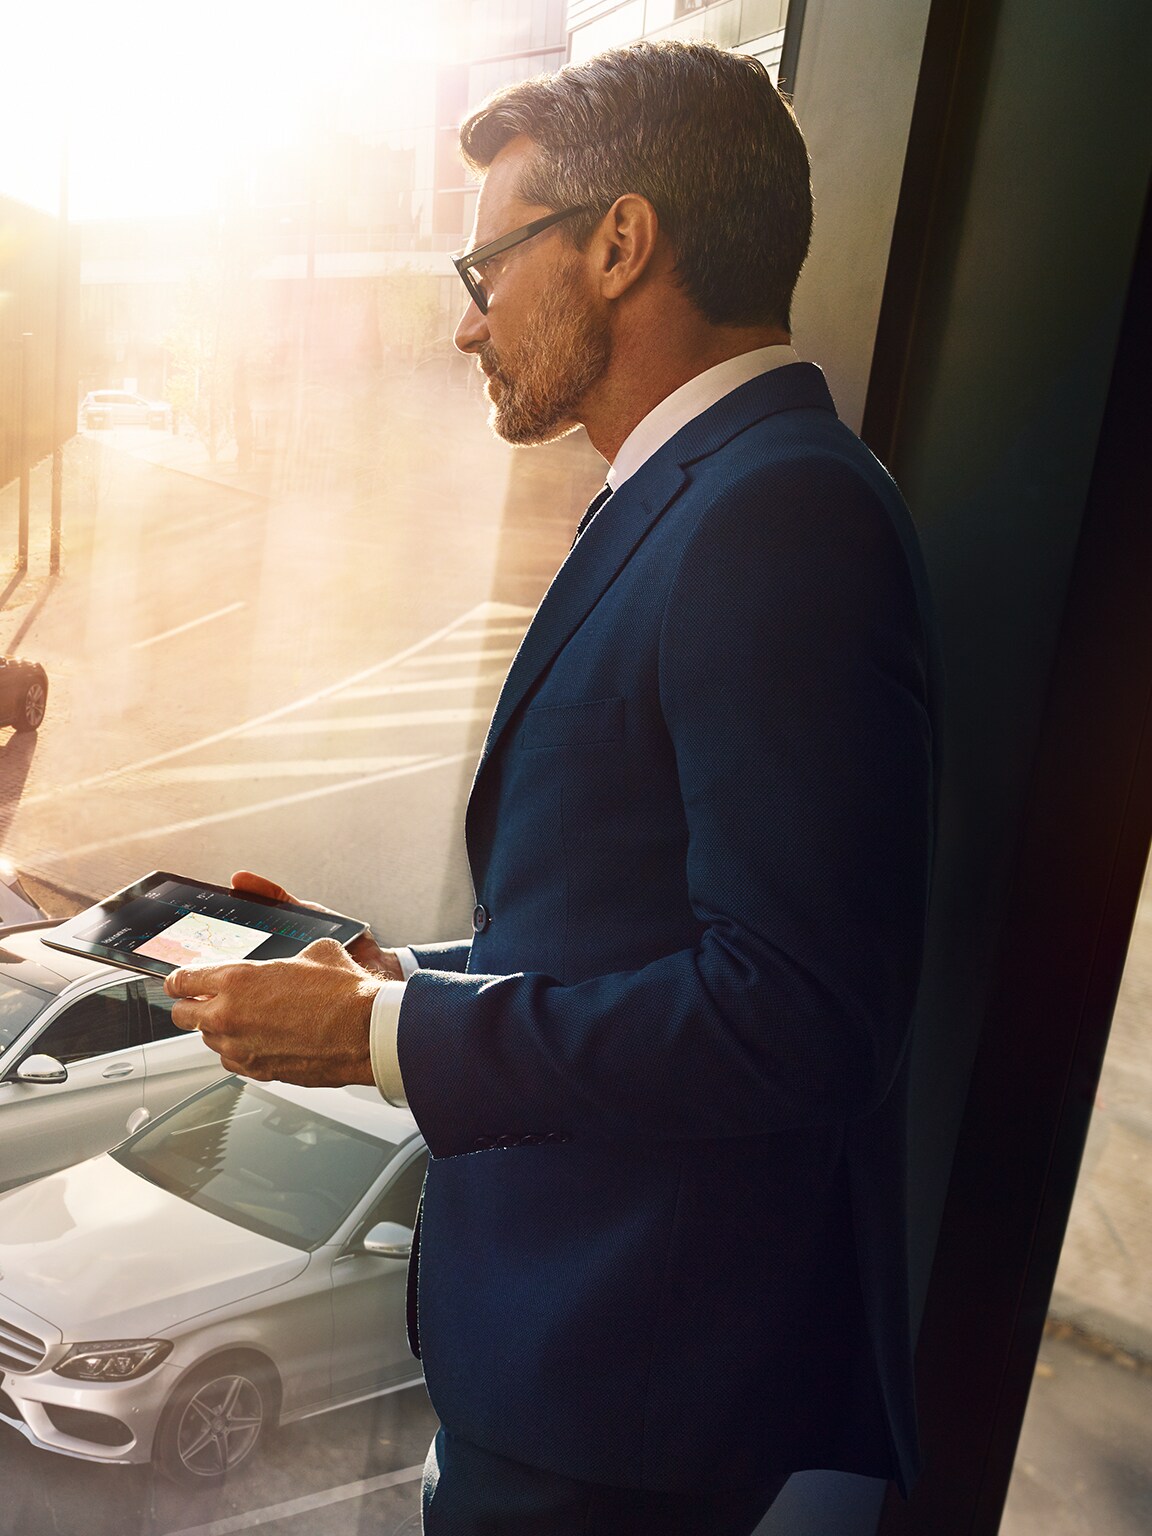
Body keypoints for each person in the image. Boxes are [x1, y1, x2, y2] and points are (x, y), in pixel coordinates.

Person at [166, 39, 941, 1535]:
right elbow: (640, 918)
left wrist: (397, 1032)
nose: (468, 330)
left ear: (620, 241)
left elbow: (801, 1012)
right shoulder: (703, 492)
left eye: (484, 270)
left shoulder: (776, 520)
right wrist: (405, 982)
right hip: (580, 1366)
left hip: (623, 1395)